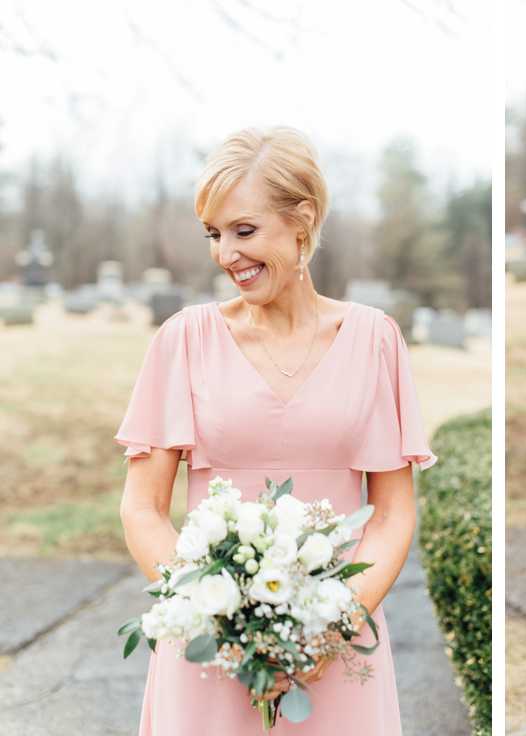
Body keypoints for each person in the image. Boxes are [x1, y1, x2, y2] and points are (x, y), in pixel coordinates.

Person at [116, 127, 435, 735]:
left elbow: (392, 513)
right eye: (214, 235)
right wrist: (215, 614)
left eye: (243, 230)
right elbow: (143, 508)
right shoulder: (184, 340)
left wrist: (333, 626)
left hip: (336, 643)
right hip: (211, 649)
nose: (225, 254)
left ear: (302, 220)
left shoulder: (374, 340)